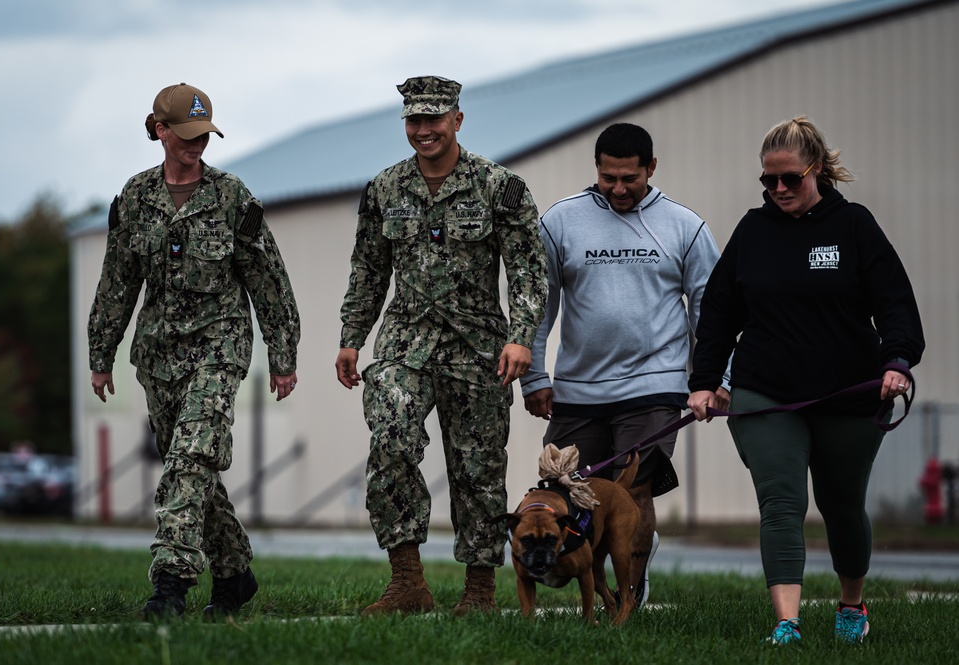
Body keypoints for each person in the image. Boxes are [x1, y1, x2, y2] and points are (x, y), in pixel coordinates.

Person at [687, 116, 924, 645]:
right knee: (781, 502)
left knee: (842, 505)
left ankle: (852, 605)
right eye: (768, 180)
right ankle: (787, 623)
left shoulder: (854, 225)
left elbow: (895, 303)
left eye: (790, 178)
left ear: (817, 169)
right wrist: (704, 381)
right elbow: (719, 313)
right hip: (765, 393)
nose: (778, 189)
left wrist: (897, 361)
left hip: (849, 394)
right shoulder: (753, 231)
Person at [335, 75, 548, 616]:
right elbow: (368, 270)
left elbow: (528, 269)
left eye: (434, 119)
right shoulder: (384, 189)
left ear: (457, 119)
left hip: (477, 348)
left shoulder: (500, 186)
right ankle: (407, 581)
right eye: (414, 120)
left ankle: (479, 591)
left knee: (478, 469)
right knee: (391, 441)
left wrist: (521, 337)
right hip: (404, 344)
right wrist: (352, 338)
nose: (423, 130)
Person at [87, 82, 301, 620]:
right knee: (190, 469)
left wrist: (283, 355)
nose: (197, 144)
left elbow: (268, 279)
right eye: (187, 135)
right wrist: (100, 354)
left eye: (204, 135)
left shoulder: (231, 197)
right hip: (159, 355)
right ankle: (233, 574)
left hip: (219, 345)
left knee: (191, 457)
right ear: (160, 131)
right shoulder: (136, 198)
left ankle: (171, 584)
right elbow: (117, 283)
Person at [521, 122, 730, 610]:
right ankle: (578, 575)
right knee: (565, 493)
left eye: (629, 179)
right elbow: (538, 304)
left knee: (633, 491)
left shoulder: (684, 226)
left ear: (651, 168)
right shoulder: (561, 222)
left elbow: (712, 310)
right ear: (596, 168)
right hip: (578, 390)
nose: (618, 189)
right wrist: (534, 376)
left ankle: (628, 597)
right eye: (608, 177)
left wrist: (717, 378)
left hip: (655, 387)